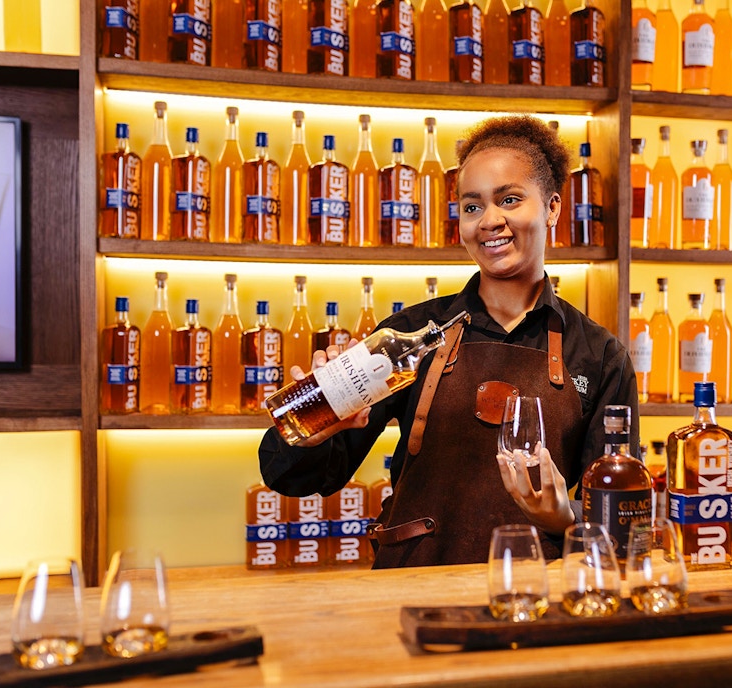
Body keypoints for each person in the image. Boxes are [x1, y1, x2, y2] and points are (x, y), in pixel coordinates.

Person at [258, 115, 639, 568]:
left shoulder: (598, 355)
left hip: (535, 596)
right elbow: (297, 479)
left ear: (553, 207)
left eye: (510, 200)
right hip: (412, 589)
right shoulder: (406, 337)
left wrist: (565, 516)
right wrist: (315, 432)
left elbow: (623, 521)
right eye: (472, 207)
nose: (489, 222)